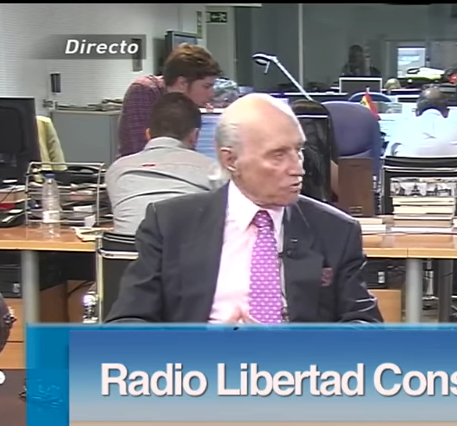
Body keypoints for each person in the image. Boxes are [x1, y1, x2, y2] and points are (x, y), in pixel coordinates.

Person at [105, 93, 383, 324]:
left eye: (298, 150)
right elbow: (127, 323)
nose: (298, 168)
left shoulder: (337, 230)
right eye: (278, 155)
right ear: (231, 160)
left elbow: (365, 325)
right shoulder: (170, 224)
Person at [106, 93, 225, 236]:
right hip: (186, 250)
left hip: (127, 249)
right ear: (195, 136)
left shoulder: (117, 170)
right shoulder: (213, 170)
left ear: (148, 134)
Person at [117, 44, 221, 159]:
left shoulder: (187, 104)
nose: (211, 94)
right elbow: (144, 150)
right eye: (206, 87)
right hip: (140, 167)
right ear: (182, 83)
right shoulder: (144, 91)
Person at [386, 86, 457, 187]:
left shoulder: (401, 129)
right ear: (447, 112)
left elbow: (384, 173)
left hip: (404, 199)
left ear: (417, 112)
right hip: (450, 200)